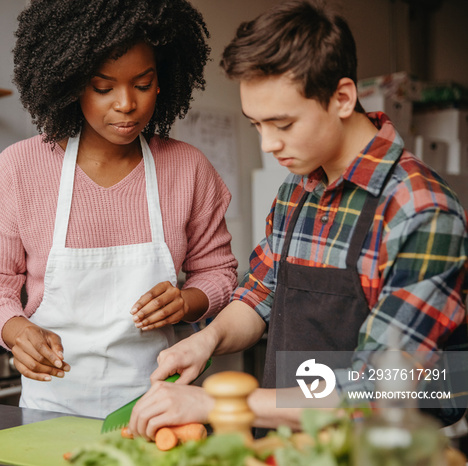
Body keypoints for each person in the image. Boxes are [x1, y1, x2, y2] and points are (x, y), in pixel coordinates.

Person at [128, 0, 468, 440]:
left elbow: (380, 390)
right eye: (256, 125)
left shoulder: (422, 211)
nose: (269, 144)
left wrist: (218, 401)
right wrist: (205, 341)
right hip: (288, 445)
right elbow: (259, 295)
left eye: (282, 124)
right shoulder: (296, 189)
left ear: (343, 98)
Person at [0, 0, 238, 419]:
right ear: (71, 84)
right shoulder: (20, 168)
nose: (126, 104)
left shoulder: (187, 168)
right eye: (103, 87)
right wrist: (17, 332)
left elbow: (219, 272)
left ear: (162, 81)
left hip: (158, 405)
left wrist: (187, 301)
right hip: (51, 407)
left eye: (142, 84)